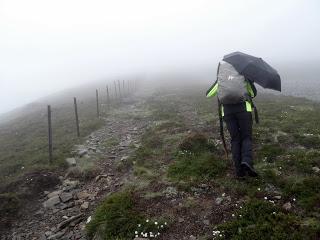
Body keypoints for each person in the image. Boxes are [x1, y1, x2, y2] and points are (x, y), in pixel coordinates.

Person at [206, 60, 258, 178]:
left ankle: (239, 172)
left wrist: (219, 82)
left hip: (227, 112)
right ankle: (246, 161)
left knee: (235, 139)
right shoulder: (244, 75)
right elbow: (253, 94)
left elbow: (208, 94)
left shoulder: (222, 78)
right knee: (246, 137)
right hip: (244, 110)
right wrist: (250, 81)